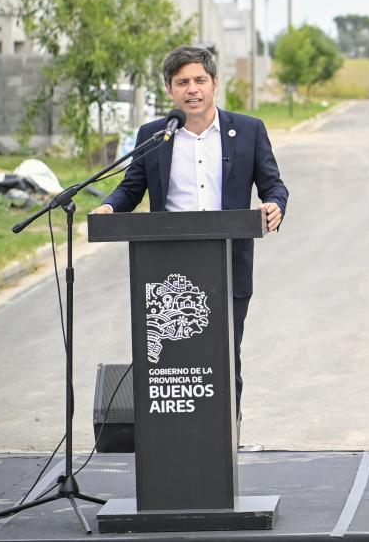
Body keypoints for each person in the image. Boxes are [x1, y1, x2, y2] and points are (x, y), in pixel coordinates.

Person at [91, 45, 288, 430]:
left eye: (200, 80)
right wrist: (111, 208)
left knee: (225, 356)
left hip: (228, 265)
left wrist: (274, 205)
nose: (192, 89)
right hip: (167, 272)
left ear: (215, 84)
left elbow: (273, 185)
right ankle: (176, 441)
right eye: (182, 82)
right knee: (173, 363)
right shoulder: (154, 135)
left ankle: (225, 436)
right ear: (169, 89)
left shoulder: (248, 130)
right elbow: (131, 189)